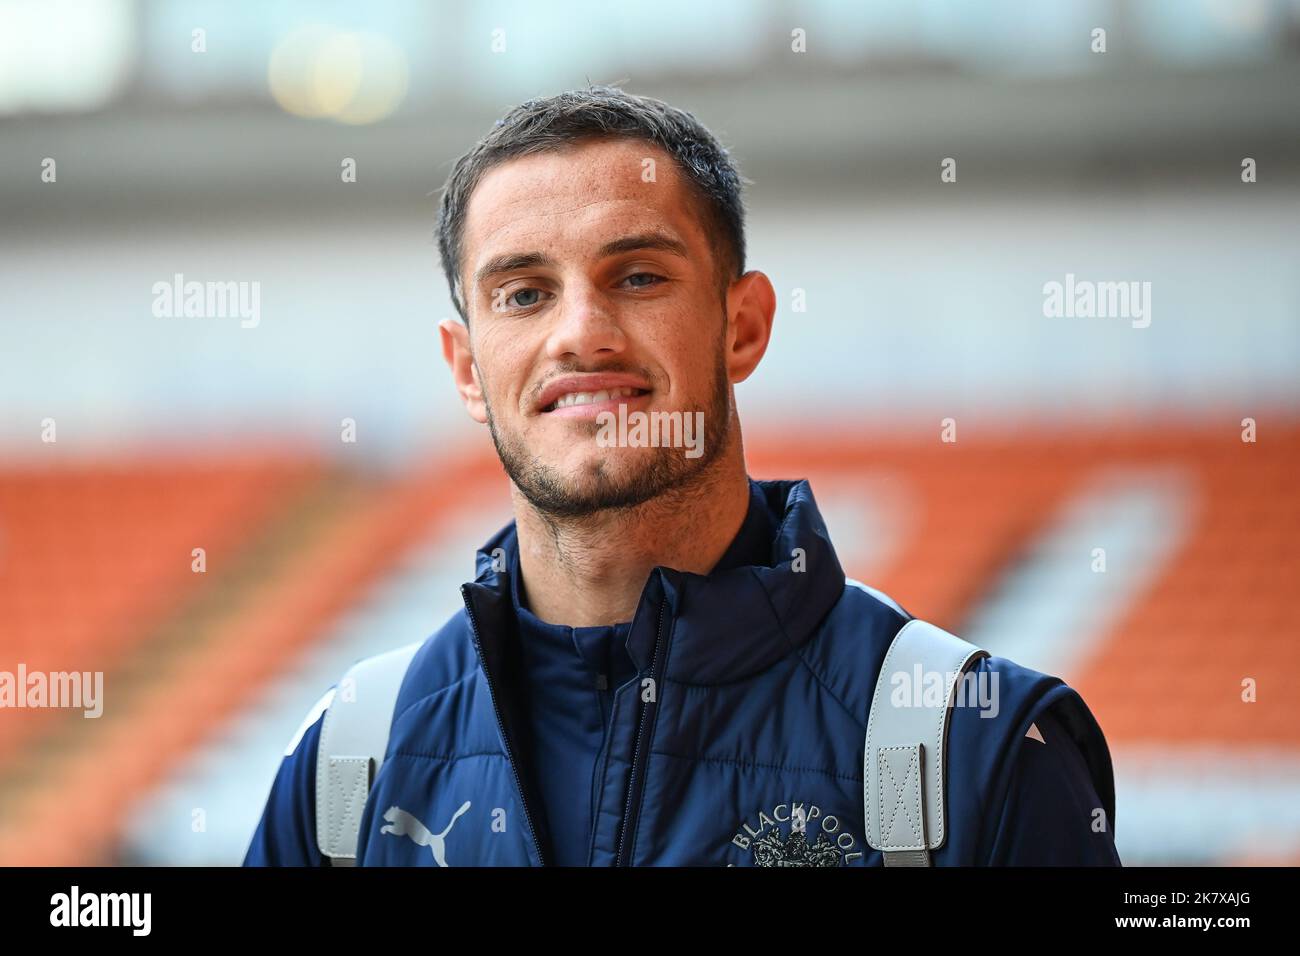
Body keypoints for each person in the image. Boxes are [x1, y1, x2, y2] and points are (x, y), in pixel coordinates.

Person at [244, 86, 1120, 867]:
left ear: (742, 327)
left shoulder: (975, 744)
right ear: (467, 368)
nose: (581, 334)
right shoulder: (346, 764)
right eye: (523, 293)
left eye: (637, 275)